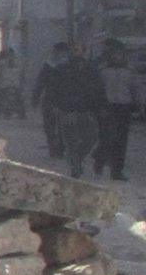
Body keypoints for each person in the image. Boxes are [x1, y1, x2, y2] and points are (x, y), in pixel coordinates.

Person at [41, 41, 106, 179]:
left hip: (86, 109)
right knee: (70, 141)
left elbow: (99, 89)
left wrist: (100, 106)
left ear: (83, 50)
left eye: (77, 49)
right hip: (67, 109)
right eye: (73, 50)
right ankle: (75, 166)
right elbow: (53, 89)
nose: (75, 52)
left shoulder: (91, 69)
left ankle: (77, 158)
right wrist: (55, 105)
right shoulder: (61, 69)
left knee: (91, 138)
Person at [95, 42, 136, 181]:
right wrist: (99, 107)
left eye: (119, 54)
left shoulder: (129, 71)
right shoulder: (103, 71)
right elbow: (98, 91)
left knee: (121, 141)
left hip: (124, 107)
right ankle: (99, 160)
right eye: (114, 54)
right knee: (107, 138)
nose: (117, 57)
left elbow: (135, 88)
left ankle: (117, 171)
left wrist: (139, 105)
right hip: (108, 107)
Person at [31, 49, 67, 158]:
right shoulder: (68, 66)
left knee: (53, 126)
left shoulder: (48, 67)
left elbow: (39, 84)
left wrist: (35, 99)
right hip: (61, 100)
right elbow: (40, 84)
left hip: (55, 100)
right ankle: (58, 148)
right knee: (56, 126)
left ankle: (55, 148)